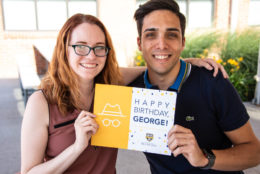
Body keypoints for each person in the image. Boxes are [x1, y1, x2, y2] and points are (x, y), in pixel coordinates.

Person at [20, 13, 227, 174]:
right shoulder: (42, 102)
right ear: (65, 50)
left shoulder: (110, 83)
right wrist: (76, 147)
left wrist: (184, 62)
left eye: (99, 47)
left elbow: (151, 70)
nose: (91, 56)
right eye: (81, 47)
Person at [129, 0, 260, 173]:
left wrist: (204, 158)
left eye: (171, 35)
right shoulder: (131, 91)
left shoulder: (212, 82)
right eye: (151, 35)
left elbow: (254, 152)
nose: (161, 44)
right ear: (139, 43)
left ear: (183, 42)